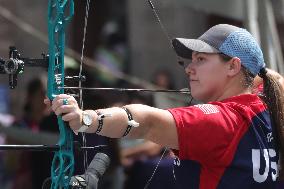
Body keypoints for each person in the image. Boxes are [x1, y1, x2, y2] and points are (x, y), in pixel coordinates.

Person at [47, 24, 284, 189]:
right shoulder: (269, 109)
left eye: (201, 59)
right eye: (191, 60)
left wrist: (85, 119)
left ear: (233, 66)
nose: (189, 68)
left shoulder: (223, 120)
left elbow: (148, 122)